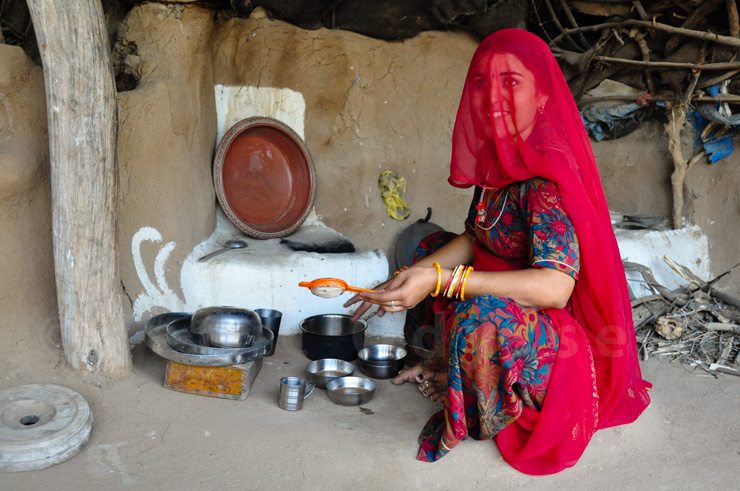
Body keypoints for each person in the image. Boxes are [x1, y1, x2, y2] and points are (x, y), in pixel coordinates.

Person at [345, 28, 651, 475]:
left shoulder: (547, 177)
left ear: (542, 97)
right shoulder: (502, 161)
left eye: (511, 82)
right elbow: (476, 238)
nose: (493, 98)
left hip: (555, 333)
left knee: (480, 316)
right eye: (483, 84)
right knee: (427, 248)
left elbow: (556, 287)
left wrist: (441, 280)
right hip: (512, 295)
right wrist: (414, 273)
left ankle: (477, 402)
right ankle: (438, 362)